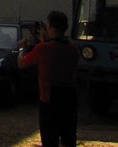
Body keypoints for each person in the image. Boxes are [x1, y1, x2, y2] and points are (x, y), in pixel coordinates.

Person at [18, 11, 79, 147]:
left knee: (50, 139)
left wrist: (22, 49)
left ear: (49, 25)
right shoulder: (73, 48)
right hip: (70, 98)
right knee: (69, 138)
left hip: (49, 99)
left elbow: (22, 63)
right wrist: (46, 41)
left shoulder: (43, 48)